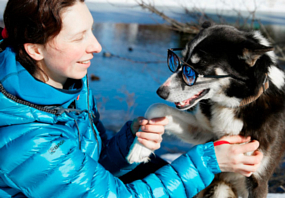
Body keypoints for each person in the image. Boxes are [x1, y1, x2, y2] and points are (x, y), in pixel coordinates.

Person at [0, 0, 263, 197]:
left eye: (91, 30)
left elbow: (90, 168)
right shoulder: (27, 140)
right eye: (79, 37)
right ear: (35, 49)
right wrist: (208, 161)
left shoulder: (62, 83)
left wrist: (129, 142)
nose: (96, 46)